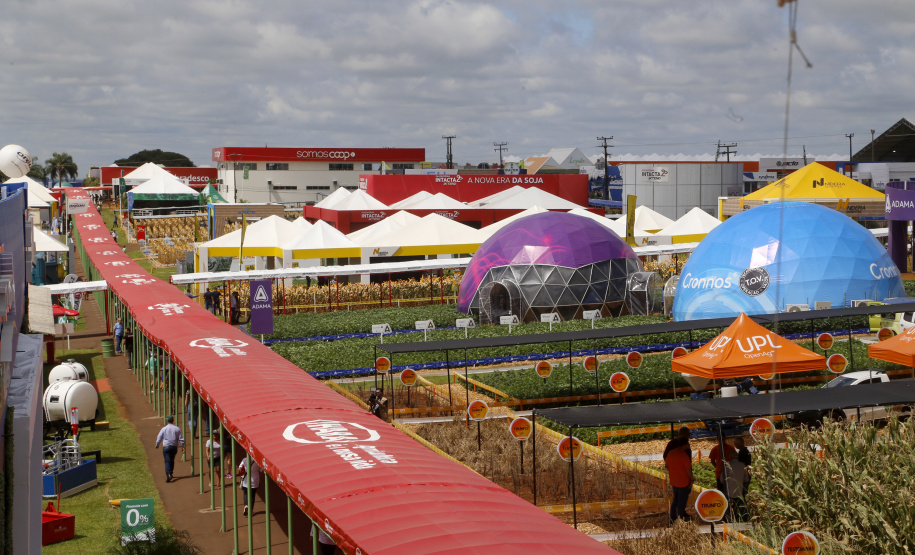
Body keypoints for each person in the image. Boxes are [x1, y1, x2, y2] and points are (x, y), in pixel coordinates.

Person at [664, 437, 693, 525]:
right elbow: (688, 470)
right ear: (685, 445)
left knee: (675, 500)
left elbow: (666, 466)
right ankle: (679, 519)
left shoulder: (671, 453)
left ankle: (672, 519)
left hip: (674, 481)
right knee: (682, 502)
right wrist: (692, 479)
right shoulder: (684, 455)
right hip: (683, 482)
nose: (689, 445)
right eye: (688, 444)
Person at [155, 415, 185, 482]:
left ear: (167, 421)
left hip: (166, 447)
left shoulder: (164, 429)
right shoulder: (177, 428)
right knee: (172, 460)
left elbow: (159, 437)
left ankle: (168, 474)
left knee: (167, 461)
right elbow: (181, 439)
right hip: (174, 447)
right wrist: (183, 446)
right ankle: (171, 472)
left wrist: (157, 444)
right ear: (173, 421)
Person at [723, 451, 749, 521]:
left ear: (730, 457)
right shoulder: (742, 465)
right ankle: (740, 519)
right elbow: (746, 479)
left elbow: (721, 479)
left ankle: (728, 520)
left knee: (728, 508)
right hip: (739, 492)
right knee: (739, 508)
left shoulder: (727, 466)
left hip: (729, 492)